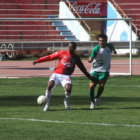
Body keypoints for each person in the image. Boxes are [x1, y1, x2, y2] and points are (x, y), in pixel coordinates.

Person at [33, 42, 93, 111]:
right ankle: (47, 105)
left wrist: (89, 76)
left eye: (72, 47)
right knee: (50, 85)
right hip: (56, 74)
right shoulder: (62, 53)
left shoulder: (76, 58)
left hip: (66, 76)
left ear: (75, 48)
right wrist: (38, 61)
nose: (70, 49)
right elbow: (50, 57)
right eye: (69, 47)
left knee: (68, 88)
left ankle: (66, 100)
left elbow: (82, 68)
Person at [88, 34, 117, 109]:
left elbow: (113, 47)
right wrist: (90, 59)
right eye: (100, 41)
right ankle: (92, 102)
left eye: (103, 41)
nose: (101, 42)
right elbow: (90, 58)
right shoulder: (96, 49)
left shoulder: (110, 46)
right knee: (91, 87)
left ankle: (97, 97)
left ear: (106, 41)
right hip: (94, 70)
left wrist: (114, 51)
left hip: (104, 70)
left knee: (101, 85)